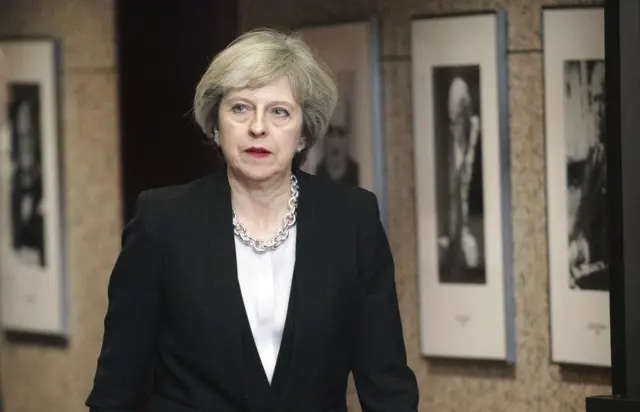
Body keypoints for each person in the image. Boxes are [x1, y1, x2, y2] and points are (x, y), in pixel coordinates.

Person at [85, 28, 419, 412]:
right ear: (216, 124)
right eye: (240, 108)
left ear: (304, 133)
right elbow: (117, 387)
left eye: (279, 112)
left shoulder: (351, 221)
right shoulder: (163, 221)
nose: (258, 127)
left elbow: (387, 386)